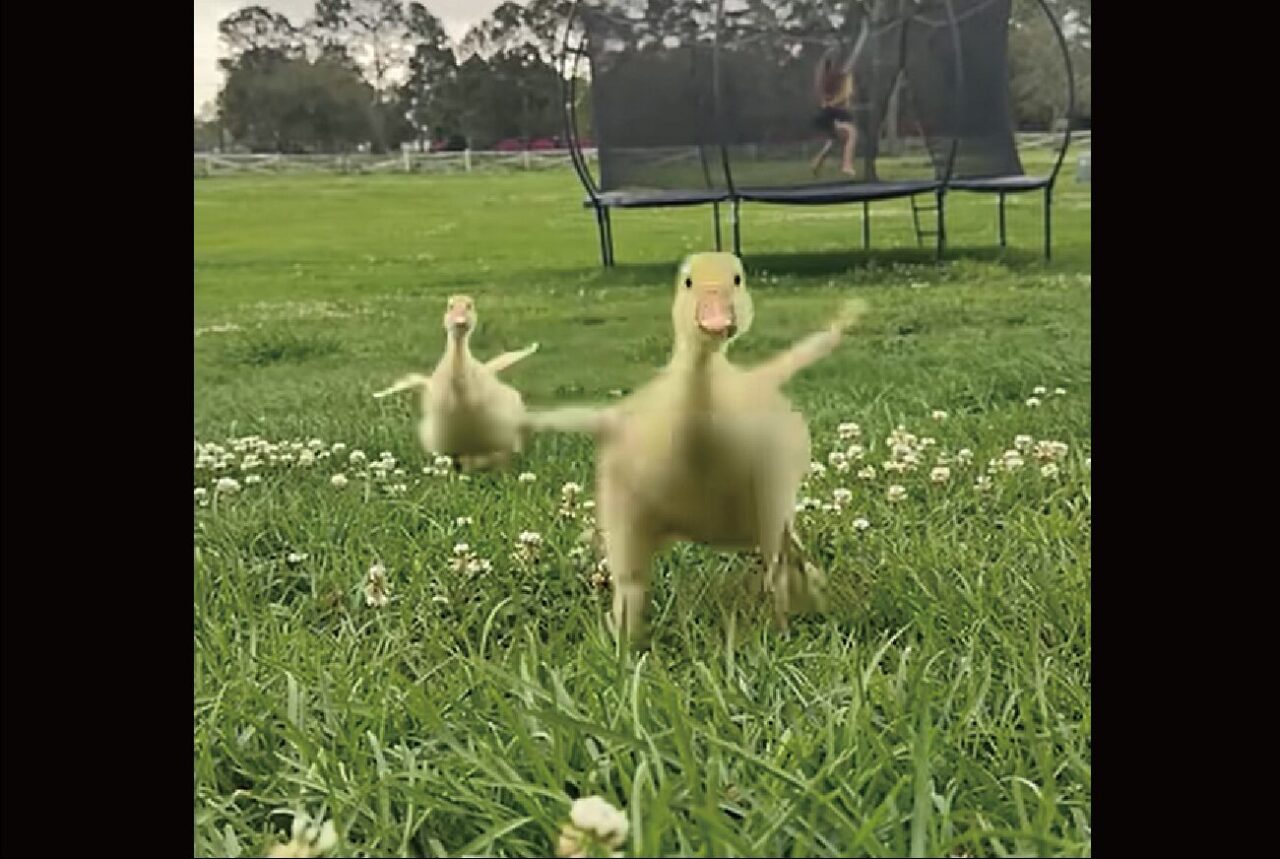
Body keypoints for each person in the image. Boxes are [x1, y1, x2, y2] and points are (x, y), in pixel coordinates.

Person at [810, 45, 858, 178]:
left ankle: (817, 162)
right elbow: (841, 97)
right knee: (851, 134)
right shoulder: (835, 78)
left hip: (829, 113)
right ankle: (847, 165)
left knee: (836, 140)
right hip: (833, 114)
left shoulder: (824, 77)